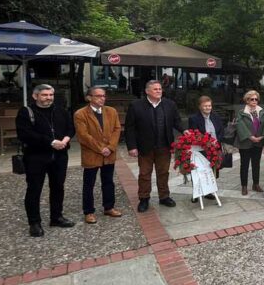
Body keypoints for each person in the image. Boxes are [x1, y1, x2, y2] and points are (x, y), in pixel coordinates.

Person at [17, 84, 76, 237]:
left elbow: (71, 128)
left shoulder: (60, 111)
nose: (48, 98)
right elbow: (25, 134)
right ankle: (34, 222)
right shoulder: (26, 112)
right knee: (34, 189)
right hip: (36, 157)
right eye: (44, 95)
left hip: (60, 156)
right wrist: (51, 142)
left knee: (58, 187)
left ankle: (56, 217)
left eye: (51, 95)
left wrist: (66, 139)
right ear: (35, 96)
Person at [125, 80, 185, 213]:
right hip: (145, 146)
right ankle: (144, 198)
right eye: (155, 89)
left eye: (160, 89)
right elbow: (130, 128)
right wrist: (132, 147)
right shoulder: (136, 105)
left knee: (163, 173)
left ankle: (164, 197)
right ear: (147, 91)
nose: (159, 91)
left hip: (164, 146)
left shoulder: (170, 104)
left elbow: (177, 121)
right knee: (145, 174)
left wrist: (184, 130)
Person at [74, 87, 122, 224]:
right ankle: (88, 211)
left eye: (104, 96)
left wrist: (111, 147)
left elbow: (116, 129)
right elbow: (83, 136)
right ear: (89, 97)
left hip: (109, 154)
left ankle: (109, 207)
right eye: (98, 96)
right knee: (89, 184)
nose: (102, 98)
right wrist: (101, 148)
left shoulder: (111, 111)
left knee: (108, 181)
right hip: (92, 153)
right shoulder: (81, 114)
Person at [188, 95, 225, 201]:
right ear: (200, 107)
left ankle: (208, 191)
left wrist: (217, 141)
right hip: (201, 150)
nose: (208, 108)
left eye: (209, 106)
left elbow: (221, 131)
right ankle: (197, 194)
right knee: (198, 172)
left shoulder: (216, 117)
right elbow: (194, 133)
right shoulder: (194, 119)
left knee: (213, 171)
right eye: (205, 106)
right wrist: (207, 142)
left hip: (215, 149)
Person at [236, 90, 264, 195]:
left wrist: (262, 136)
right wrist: (250, 137)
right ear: (247, 100)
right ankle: (244, 186)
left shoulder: (261, 111)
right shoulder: (241, 112)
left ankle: (256, 184)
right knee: (244, 164)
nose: (254, 101)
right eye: (252, 99)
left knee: (256, 164)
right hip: (245, 143)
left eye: (256, 99)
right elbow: (240, 125)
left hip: (258, 142)